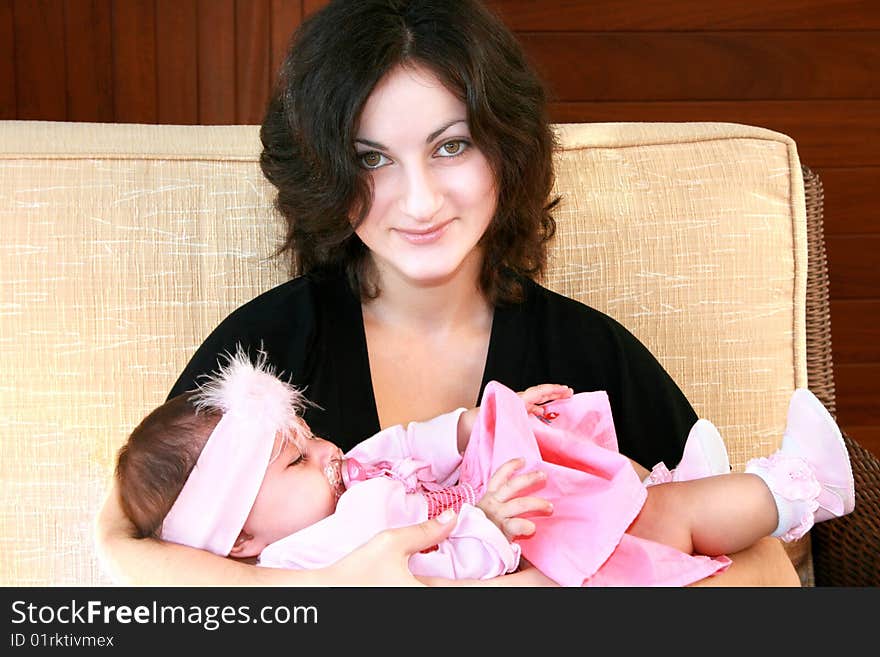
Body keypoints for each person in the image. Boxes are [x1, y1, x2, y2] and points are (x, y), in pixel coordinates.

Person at [95, 0, 800, 586]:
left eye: (451, 145)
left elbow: (767, 567)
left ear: (505, 146)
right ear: (325, 173)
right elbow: (125, 552)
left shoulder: (586, 352)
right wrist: (325, 588)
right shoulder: (264, 353)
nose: (420, 199)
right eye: (372, 159)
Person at [114, 349, 854, 586]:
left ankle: (679, 484)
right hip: (515, 547)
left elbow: (405, 441)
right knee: (651, 525)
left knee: (551, 438)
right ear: (241, 537)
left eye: (309, 436)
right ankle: (795, 488)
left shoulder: (345, 481)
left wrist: (473, 422)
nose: (328, 450)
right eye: (298, 457)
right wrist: (490, 526)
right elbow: (436, 581)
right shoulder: (317, 551)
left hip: (502, 512)